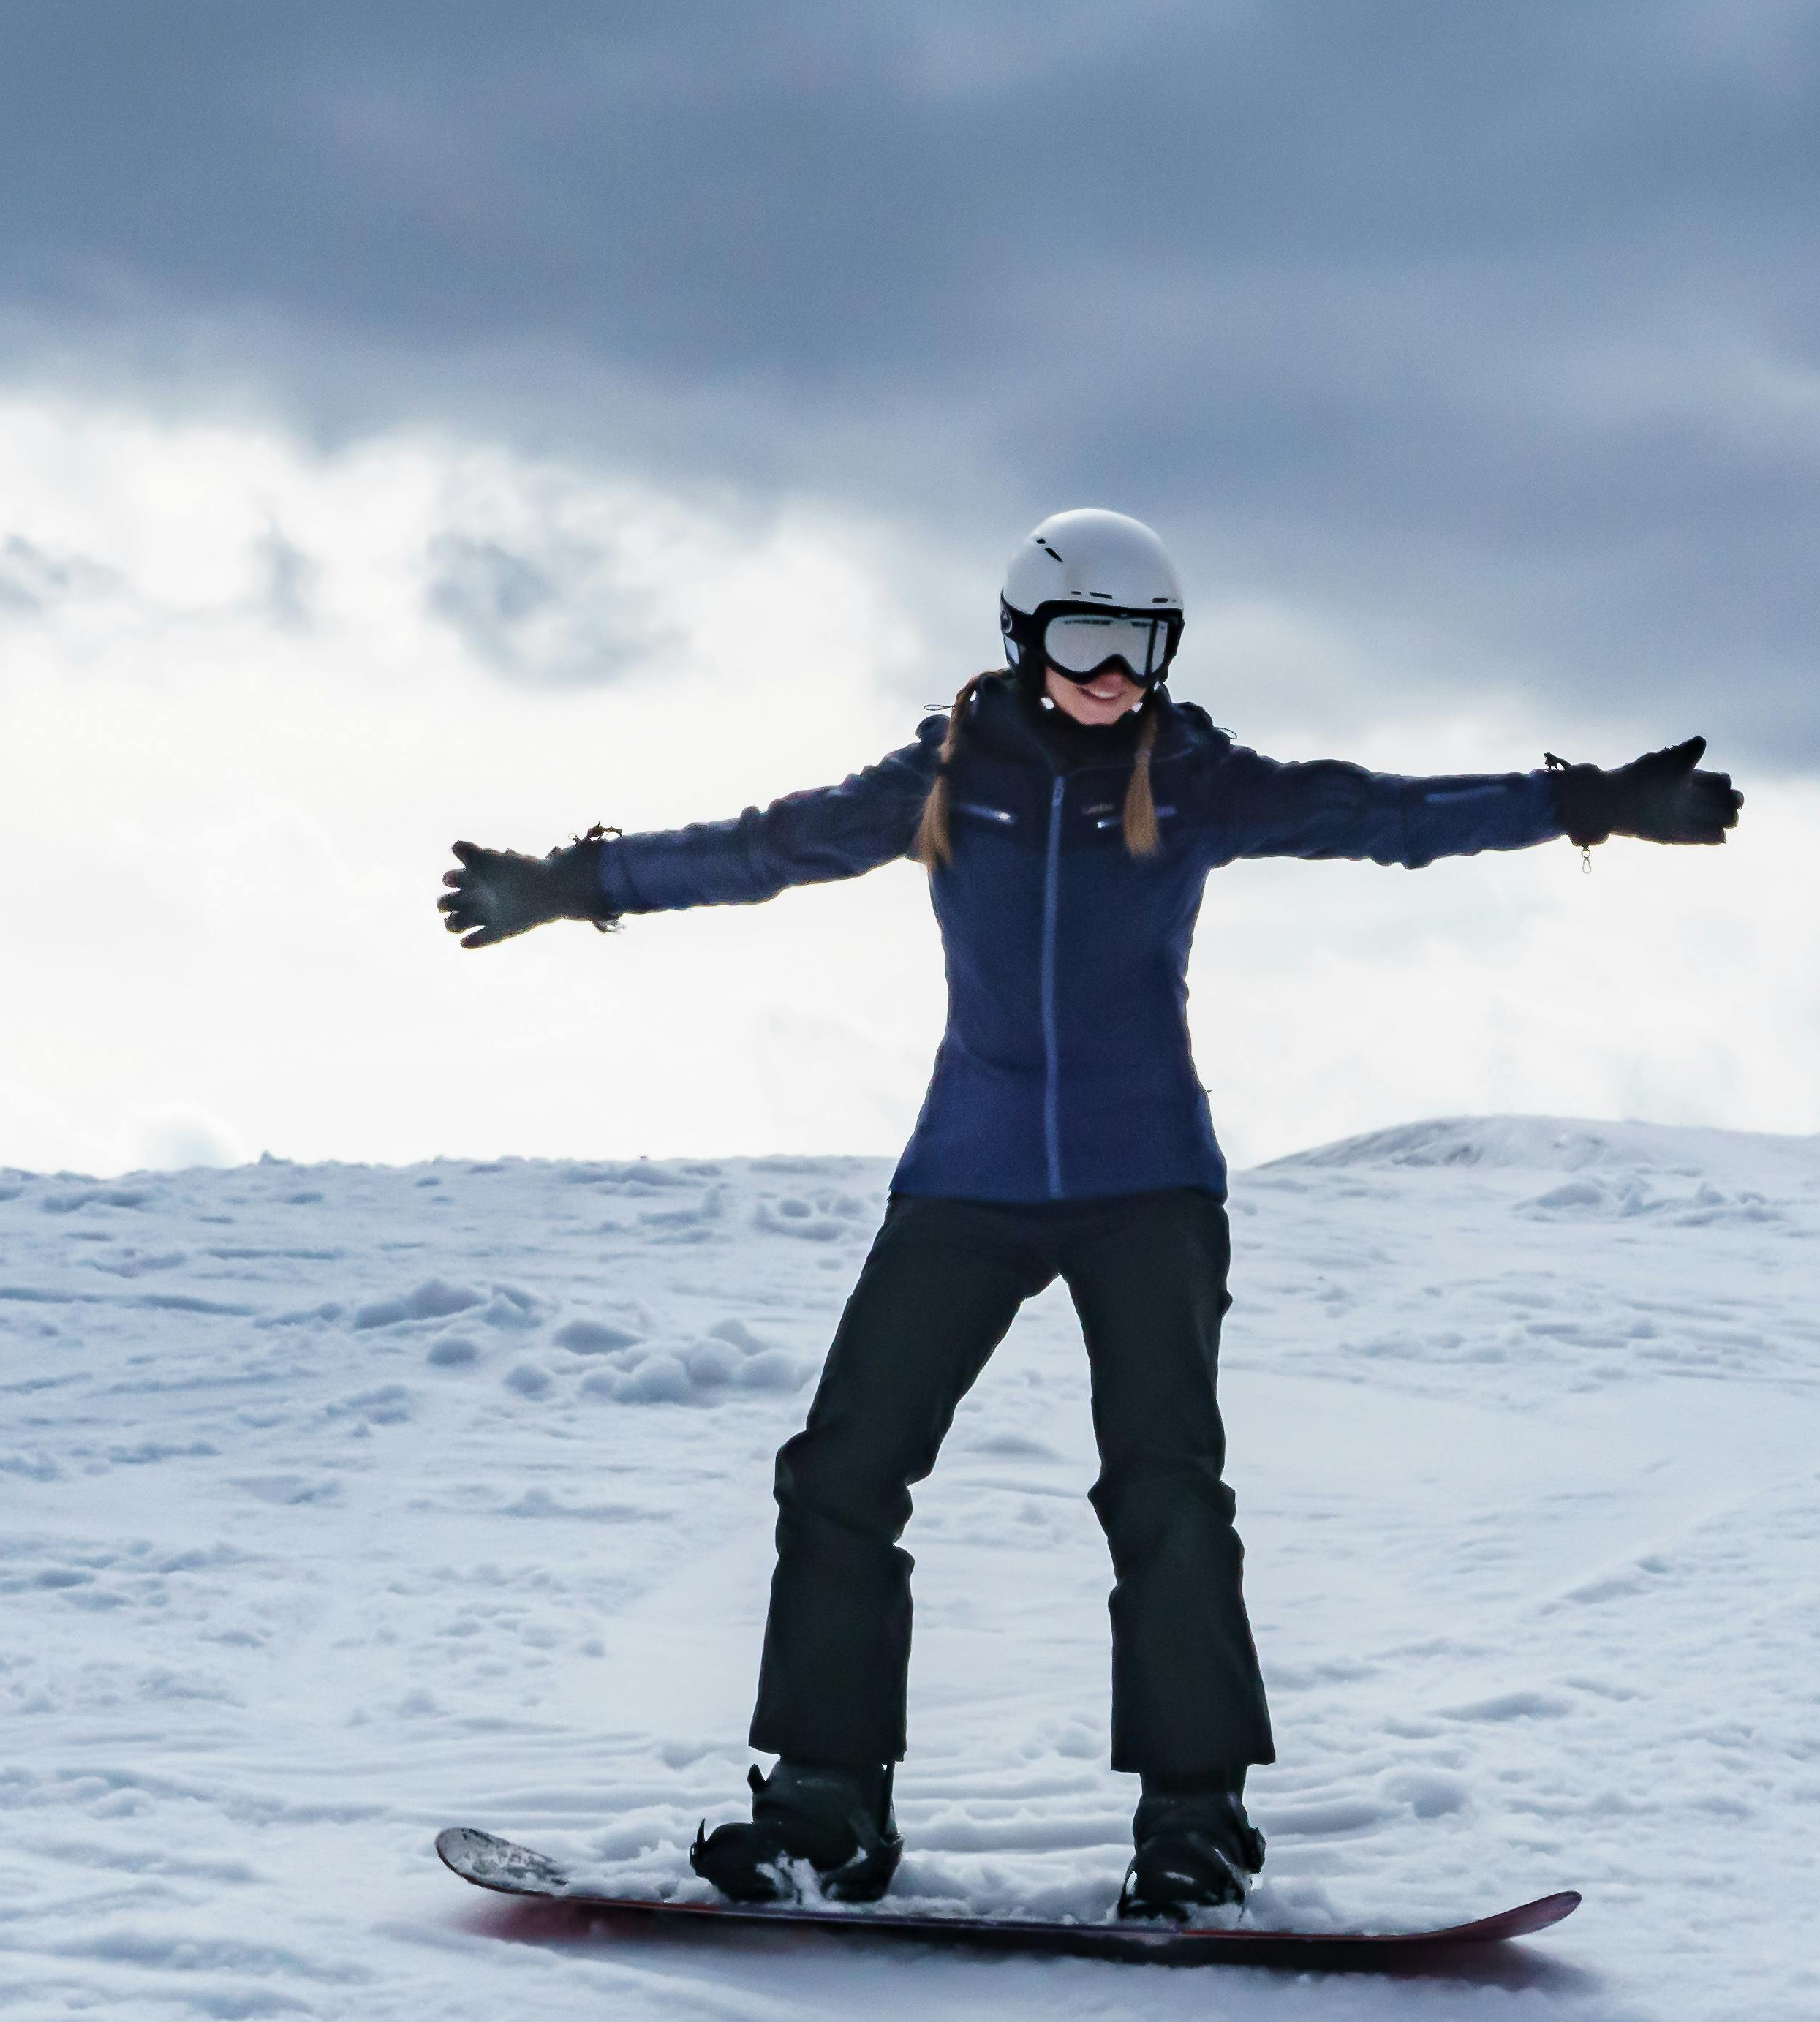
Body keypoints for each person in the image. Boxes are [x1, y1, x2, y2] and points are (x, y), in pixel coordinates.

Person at [437, 509, 1738, 1917]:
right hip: (969, 1180)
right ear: (1025, 637)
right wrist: (575, 885)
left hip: (1148, 1188)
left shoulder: (1193, 780)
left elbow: (1387, 816)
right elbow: (765, 849)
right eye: (1090, 640)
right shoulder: (943, 779)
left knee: (1165, 1496)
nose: (1119, 674)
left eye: (1145, 646)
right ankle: (824, 1810)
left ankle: (1196, 1830)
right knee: (842, 1475)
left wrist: (1587, 802)